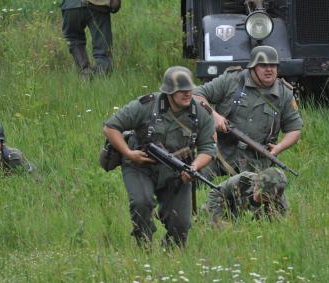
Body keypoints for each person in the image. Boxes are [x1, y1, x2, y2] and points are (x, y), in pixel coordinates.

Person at [102, 66, 216, 249]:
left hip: (178, 171)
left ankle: (170, 258)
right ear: (169, 91)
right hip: (140, 166)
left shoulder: (201, 112)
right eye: (181, 90)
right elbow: (110, 127)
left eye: (189, 89)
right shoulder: (146, 105)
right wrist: (129, 153)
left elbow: (208, 148)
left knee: (181, 225)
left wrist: (194, 167)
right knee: (142, 202)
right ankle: (144, 247)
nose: (187, 94)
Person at [193, 45, 303, 176]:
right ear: (253, 67)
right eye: (263, 65)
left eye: (273, 66)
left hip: (256, 160)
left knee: (263, 190)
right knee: (195, 177)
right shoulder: (233, 80)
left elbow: (294, 130)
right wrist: (213, 116)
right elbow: (195, 94)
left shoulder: (284, 93)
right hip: (220, 153)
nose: (269, 70)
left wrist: (279, 148)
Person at [61, 0, 121, 78]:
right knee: (103, 51)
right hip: (97, 6)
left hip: (70, 6)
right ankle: (101, 74)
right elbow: (115, 4)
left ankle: (85, 70)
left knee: (74, 39)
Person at [204, 167, 288, 222]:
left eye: (264, 196)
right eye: (257, 187)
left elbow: (276, 227)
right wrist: (219, 220)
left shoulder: (280, 206)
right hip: (228, 216)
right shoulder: (243, 179)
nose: (257, 196)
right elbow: (215, 192)